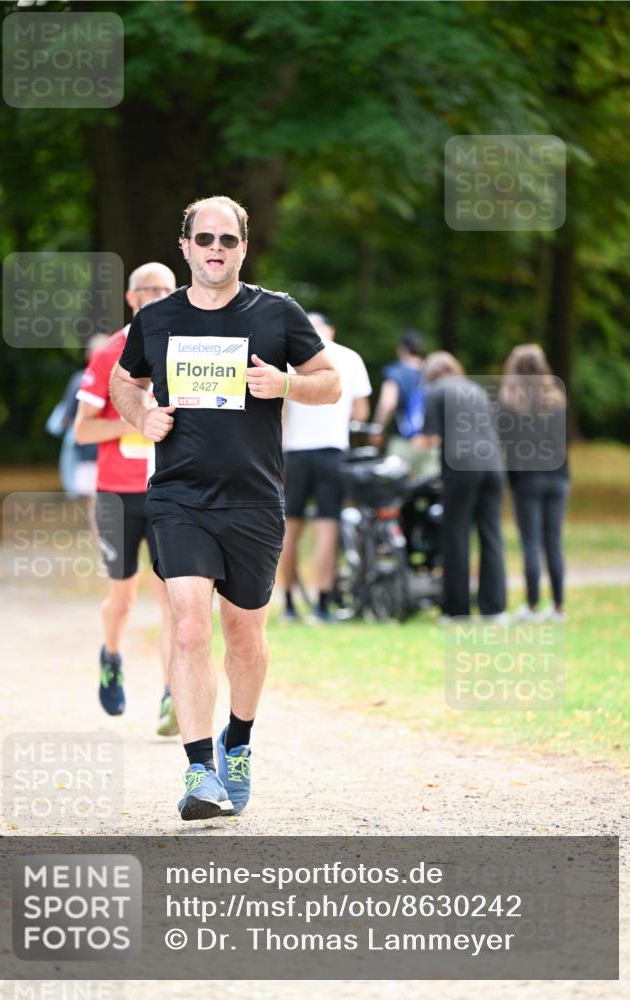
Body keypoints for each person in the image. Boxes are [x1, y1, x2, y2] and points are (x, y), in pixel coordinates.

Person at [110, 195, 340, 820]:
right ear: (185, 246)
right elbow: (124, 380)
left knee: (244, 635)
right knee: (189, 625)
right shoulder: (156, 319)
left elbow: (330, 381)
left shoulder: (276, 313)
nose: (216, 248)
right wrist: (142, 415)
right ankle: (199, 772)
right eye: (205, 238)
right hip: (179, 496)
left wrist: (286, 384)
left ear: (244, 247)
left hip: (254, 499)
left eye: (228, 239)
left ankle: (237, 743)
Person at [74, 263, 178, 735]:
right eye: (147, 290)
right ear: (130, 298)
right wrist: (138, 417)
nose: (155, 296)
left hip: (169, 490)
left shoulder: (186, 348)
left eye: (165, 289)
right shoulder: (110, 353)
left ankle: (173, 692)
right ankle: (111, 656)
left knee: (175, 598)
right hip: (117, 494)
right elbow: (83, 430)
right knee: (123, 597)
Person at [279, 312, 372, 623]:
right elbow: (360, 411)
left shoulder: (288, 360)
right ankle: (322, 604)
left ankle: (288, 603)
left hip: (295, 452)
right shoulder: (349, 357)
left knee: (289, 529)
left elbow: (280, 412)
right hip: (332, 450)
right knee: (327, 526)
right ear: (331, 329)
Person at [417, 351, 506, 620]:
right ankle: (495, 608)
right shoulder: (476, 390)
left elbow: (431, 439)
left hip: (462, 466)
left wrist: (409, 450)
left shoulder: (436, 391)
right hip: (494, 466)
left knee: (456, 534)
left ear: (430, 374)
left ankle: (457, 610)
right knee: (491, 534)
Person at [498, 344, 569, 622]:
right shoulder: (557, 399)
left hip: (527, 478)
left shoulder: (509, 402)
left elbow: (504, 443)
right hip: (559, 477)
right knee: (554, 541)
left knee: (531, 542)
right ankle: (559, 606)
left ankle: (531, 605)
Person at [46, 335, 108, 498]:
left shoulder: (80, 380)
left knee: (89, 499)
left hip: (86, 450)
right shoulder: (122, 380)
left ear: (89, 356)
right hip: (111, 451)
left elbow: (67, 417)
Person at [371, 329, 437, 476]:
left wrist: (378, 429)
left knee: (395, 484)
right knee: (429, 486)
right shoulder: (431, 373)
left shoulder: (396, 372)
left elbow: (388, 403)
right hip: (429, 441)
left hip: (402, 441)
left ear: (402, 348)